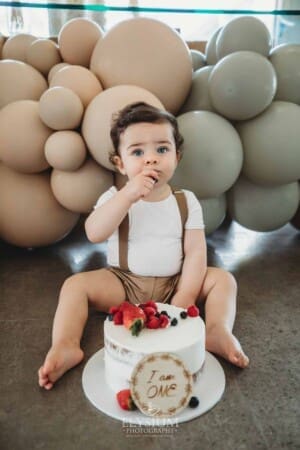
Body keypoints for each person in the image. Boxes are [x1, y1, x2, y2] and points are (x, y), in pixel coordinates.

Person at [38, 102, 249, 390]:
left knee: (223, 279)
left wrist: (185, 295)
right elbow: (94, 233)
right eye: (138, 152)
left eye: (162, 149)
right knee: (75, 286)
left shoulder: (185, 200)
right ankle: (65, 345)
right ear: (120, 163)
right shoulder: (115, 196)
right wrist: (128, 196)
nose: (151, 159)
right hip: (124, 283)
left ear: (177, 156)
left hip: (175, 283)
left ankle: (216, 330)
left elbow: (196, 252)